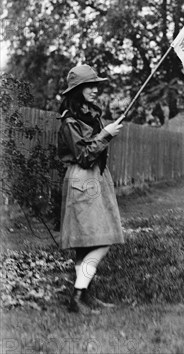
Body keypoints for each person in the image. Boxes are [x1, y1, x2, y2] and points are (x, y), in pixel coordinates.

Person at [57, 64, 125, 313]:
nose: (95, 90)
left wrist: (104, 131)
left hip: (96, 177)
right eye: (89, 86)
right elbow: (84, 155)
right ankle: (77, 297)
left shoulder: (89, 115)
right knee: (101, 239)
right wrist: (105, 134)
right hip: (83, 178)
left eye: (96, 85)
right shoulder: (70, 121)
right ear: (78, 90)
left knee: (87, 242)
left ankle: (85, 296)